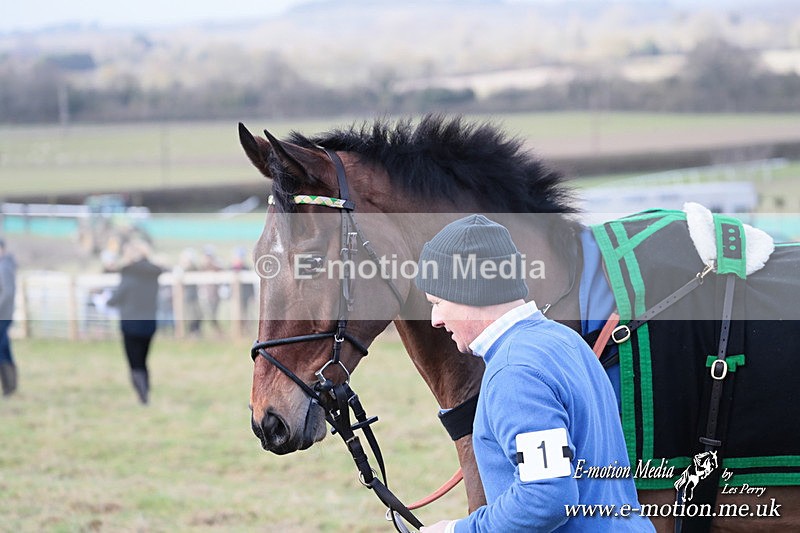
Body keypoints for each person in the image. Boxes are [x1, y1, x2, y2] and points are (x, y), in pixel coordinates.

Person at [415, 215, 653, 532]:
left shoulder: (516, 371)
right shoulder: (563, 340)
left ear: (469, 292)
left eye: (438, 301)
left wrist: (456, 531)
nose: (436, 319)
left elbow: (545, 497)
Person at [108, 241, 163, 404]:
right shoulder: (153, 274)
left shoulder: (129, 274)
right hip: (149, 323)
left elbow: (118, 297)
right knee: (144, 360)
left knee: (135, 362)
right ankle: (145, 392)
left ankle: (143, 396)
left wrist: (108, 300)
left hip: (131, 324)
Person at [0, 238, 18, 397]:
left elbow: (7, 292)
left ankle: (8, 387)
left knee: (2, 349)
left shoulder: (4, 266)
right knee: (4, 348)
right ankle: (10, 386)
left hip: (2, 315)